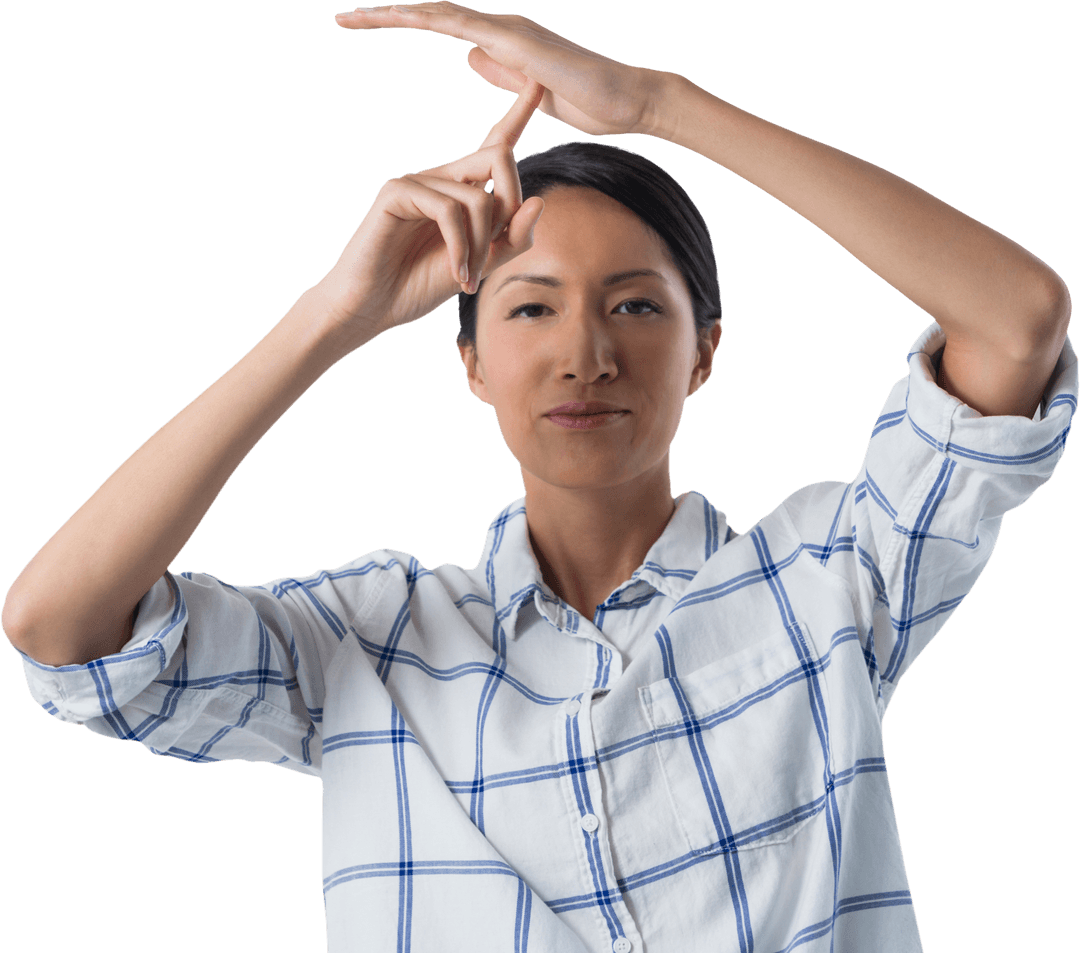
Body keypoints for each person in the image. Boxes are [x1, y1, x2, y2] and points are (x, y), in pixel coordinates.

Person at [3, 3, 1074, 951]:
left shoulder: (828, 583)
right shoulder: (370, 643)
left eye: (636, 305)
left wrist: (657, 102)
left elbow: (1018, 320)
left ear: (705, 352)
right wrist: (334, 317)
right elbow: (62, 626)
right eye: (530, 306)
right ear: (468, 358)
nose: (585, 354)